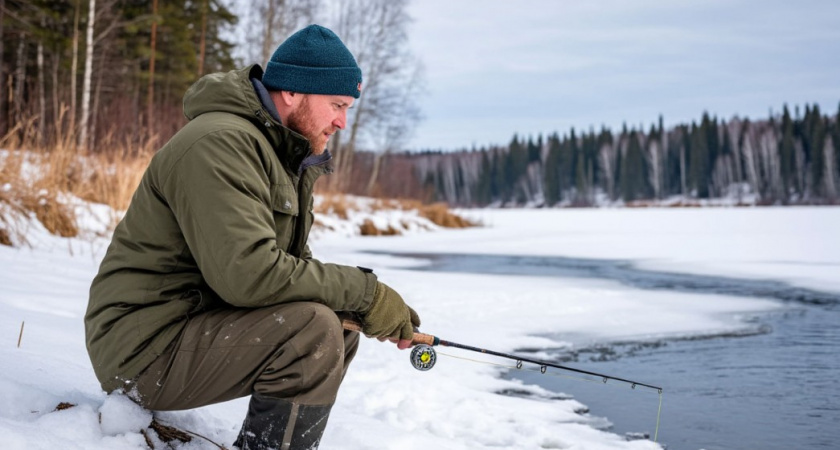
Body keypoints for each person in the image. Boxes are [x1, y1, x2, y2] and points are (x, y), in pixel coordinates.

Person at [84, 24, 421, 450]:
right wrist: (366, 291)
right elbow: (248, 275)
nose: (342, 121)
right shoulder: (220, 143)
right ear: (293, 93)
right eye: (336, 104)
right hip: (143, 348)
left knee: (335, 320)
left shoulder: (275, 153)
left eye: (348, 107)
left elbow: (290, 269)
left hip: (186, 326)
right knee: (312, 330)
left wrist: (363, 306)